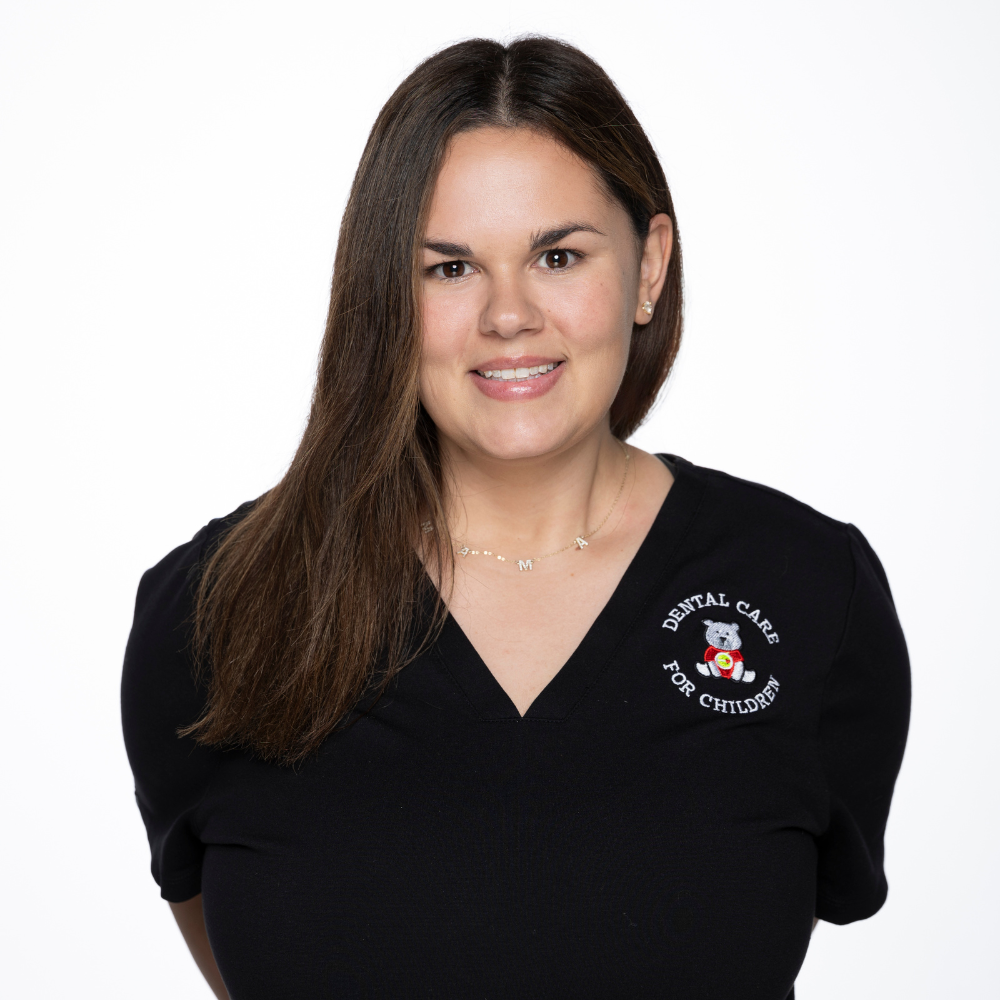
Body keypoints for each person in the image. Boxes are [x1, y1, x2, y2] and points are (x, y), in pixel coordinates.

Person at [122, 36, 910, 1000]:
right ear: (386, 295)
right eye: (451, 268)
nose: (508, 315)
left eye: (558, 256)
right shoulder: (217, 611)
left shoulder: (808, 590)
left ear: (650, 267)